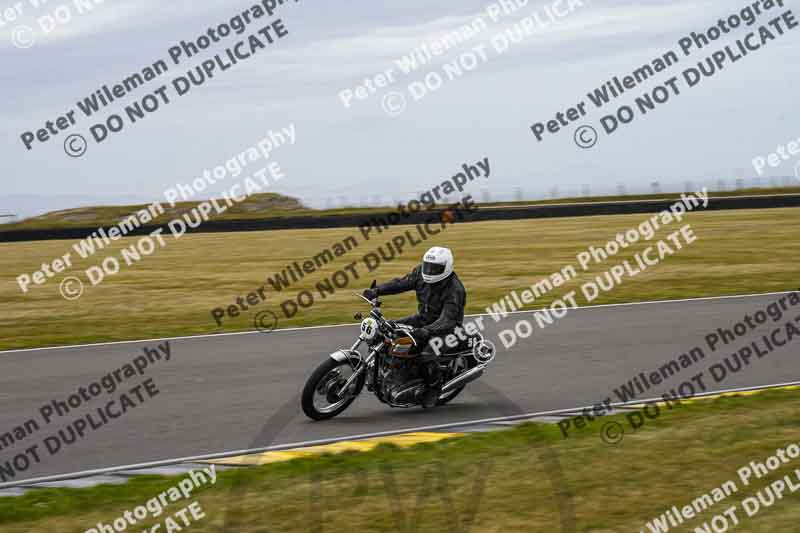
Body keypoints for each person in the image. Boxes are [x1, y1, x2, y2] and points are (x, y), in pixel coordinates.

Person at [362, 246, 466, 408]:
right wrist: (377, 290)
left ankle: (434, 387)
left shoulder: (454, 289)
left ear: (447, 267)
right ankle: (391, 370)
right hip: (422, 319)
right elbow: (401, 283)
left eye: (435, 268)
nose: (430, 271)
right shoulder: (420, 274)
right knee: (389, 329)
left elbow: (448, 319)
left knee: (426, 354)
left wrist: (427, 331)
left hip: (447, 329)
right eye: (428, 266)